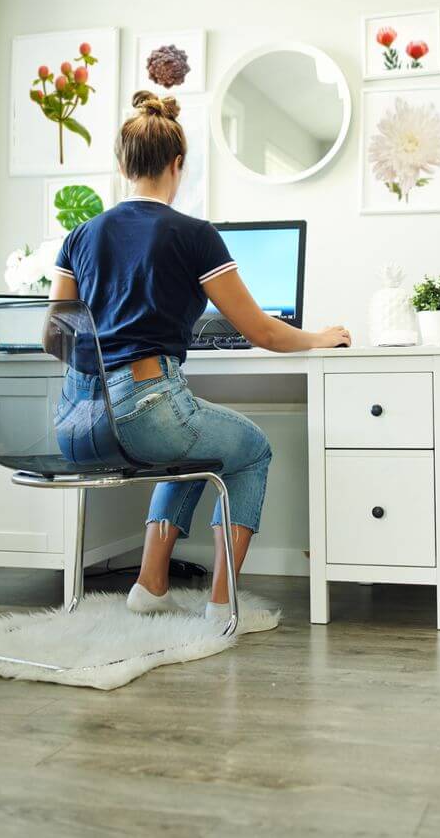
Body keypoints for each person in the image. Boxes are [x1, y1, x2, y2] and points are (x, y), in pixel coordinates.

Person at [48, 91, 351, 620]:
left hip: (75, 423)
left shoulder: (79, 235)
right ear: (177, 164)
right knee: (250, 449)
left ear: (122, 165)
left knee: (183, 447)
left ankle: (150, 585)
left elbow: (56, 338)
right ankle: (222, 604)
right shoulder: (194, 235)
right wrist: (319, 337)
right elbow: (262, 331)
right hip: (144, 411)